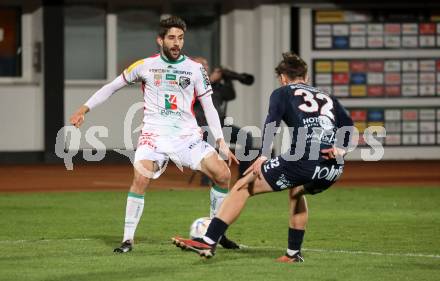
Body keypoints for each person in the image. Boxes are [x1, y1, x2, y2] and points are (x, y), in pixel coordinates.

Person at [70, 15, 241, 253]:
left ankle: (215, 234)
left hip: (187, 137)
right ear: (160, 40)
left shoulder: (194, 70)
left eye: (180, 38)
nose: (176, 43)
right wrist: (83, 109)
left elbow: (209, 105)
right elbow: (112, 87)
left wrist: (220, 140)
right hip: (154, 136)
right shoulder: (145, 66)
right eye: (171, 38)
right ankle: (127, 239)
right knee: (140, 178)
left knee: (223, 174)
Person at [171, 52, 354, 262]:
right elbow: (349, 126)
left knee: (242, 186)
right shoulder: (327, 96)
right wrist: (341, 150)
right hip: (332, 168)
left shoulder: (283, 92)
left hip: (304, 159)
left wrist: (263, 155)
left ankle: (208, 241)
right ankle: (293, 254)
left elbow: (271, 124)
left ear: (283, 78)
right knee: (296, 190)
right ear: (307, 77)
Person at [192, 57, 254, 185]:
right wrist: (210, 80)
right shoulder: (190, 82)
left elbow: (230, 95)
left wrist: (228, 79)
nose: (206, 66)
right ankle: (206, 180)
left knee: (246, 137)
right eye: (202, 64)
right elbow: (192, 99)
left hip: (219, 125)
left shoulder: (217, 86)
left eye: (206, 64)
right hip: (200, 126)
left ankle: (243, 177)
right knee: (208, 135)